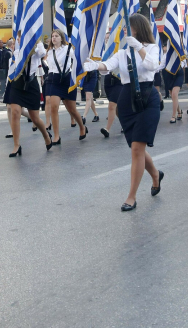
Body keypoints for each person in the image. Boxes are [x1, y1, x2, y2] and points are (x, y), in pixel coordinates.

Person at [85, 13, 162, 211]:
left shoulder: (152, 48)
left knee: (137, 148)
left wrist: (140, 48)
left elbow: (152, 66)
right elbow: (108, 66)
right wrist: (95, 65)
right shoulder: (122, 52)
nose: (125, 30)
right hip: (127, 100)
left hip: (147, 98)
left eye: (128, 26)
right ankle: (155, 174)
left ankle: (131, 196)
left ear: (138, 28)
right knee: (137, 148)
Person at [2, 31, 53, 156]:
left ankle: (46, 136)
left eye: (21, 36)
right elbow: (11, 69)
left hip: (31, 83)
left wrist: (35, 42)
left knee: (35, 118)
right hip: (17, 83)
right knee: (15, 112)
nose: (19, 39)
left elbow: (42, 53)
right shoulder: (16, 50)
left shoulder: (36, 47)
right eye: (18, 37)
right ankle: (16, 145)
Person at [44, 30, 86, 142]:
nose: (54, 38)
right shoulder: (49, 51)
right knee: (54, 107)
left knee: (72, 110)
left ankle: (82, 127)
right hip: (53, 80)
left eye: (56, 36)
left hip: (66, 80)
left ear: (61, 38)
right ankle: (56, 136)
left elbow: (78, 59)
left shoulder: (68, 49)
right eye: (53, 36)